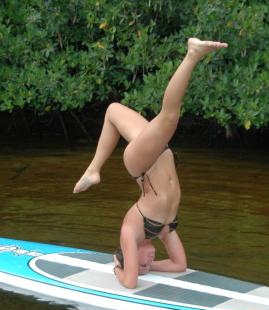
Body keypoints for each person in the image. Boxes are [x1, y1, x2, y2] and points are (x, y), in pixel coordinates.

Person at [73, 38, 228, 288]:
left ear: (129, 253)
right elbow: (179, 265)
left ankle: (193, 54)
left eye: (143, 262)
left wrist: (117, 268)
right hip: (161, 155)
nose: (150, 261)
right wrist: (153, 268)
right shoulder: (160, 231)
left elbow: (131, 282)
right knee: (114, 110)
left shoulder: (130, 232)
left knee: (167, 115)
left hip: (142, 166)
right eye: (147, 265)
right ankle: (93, 170)